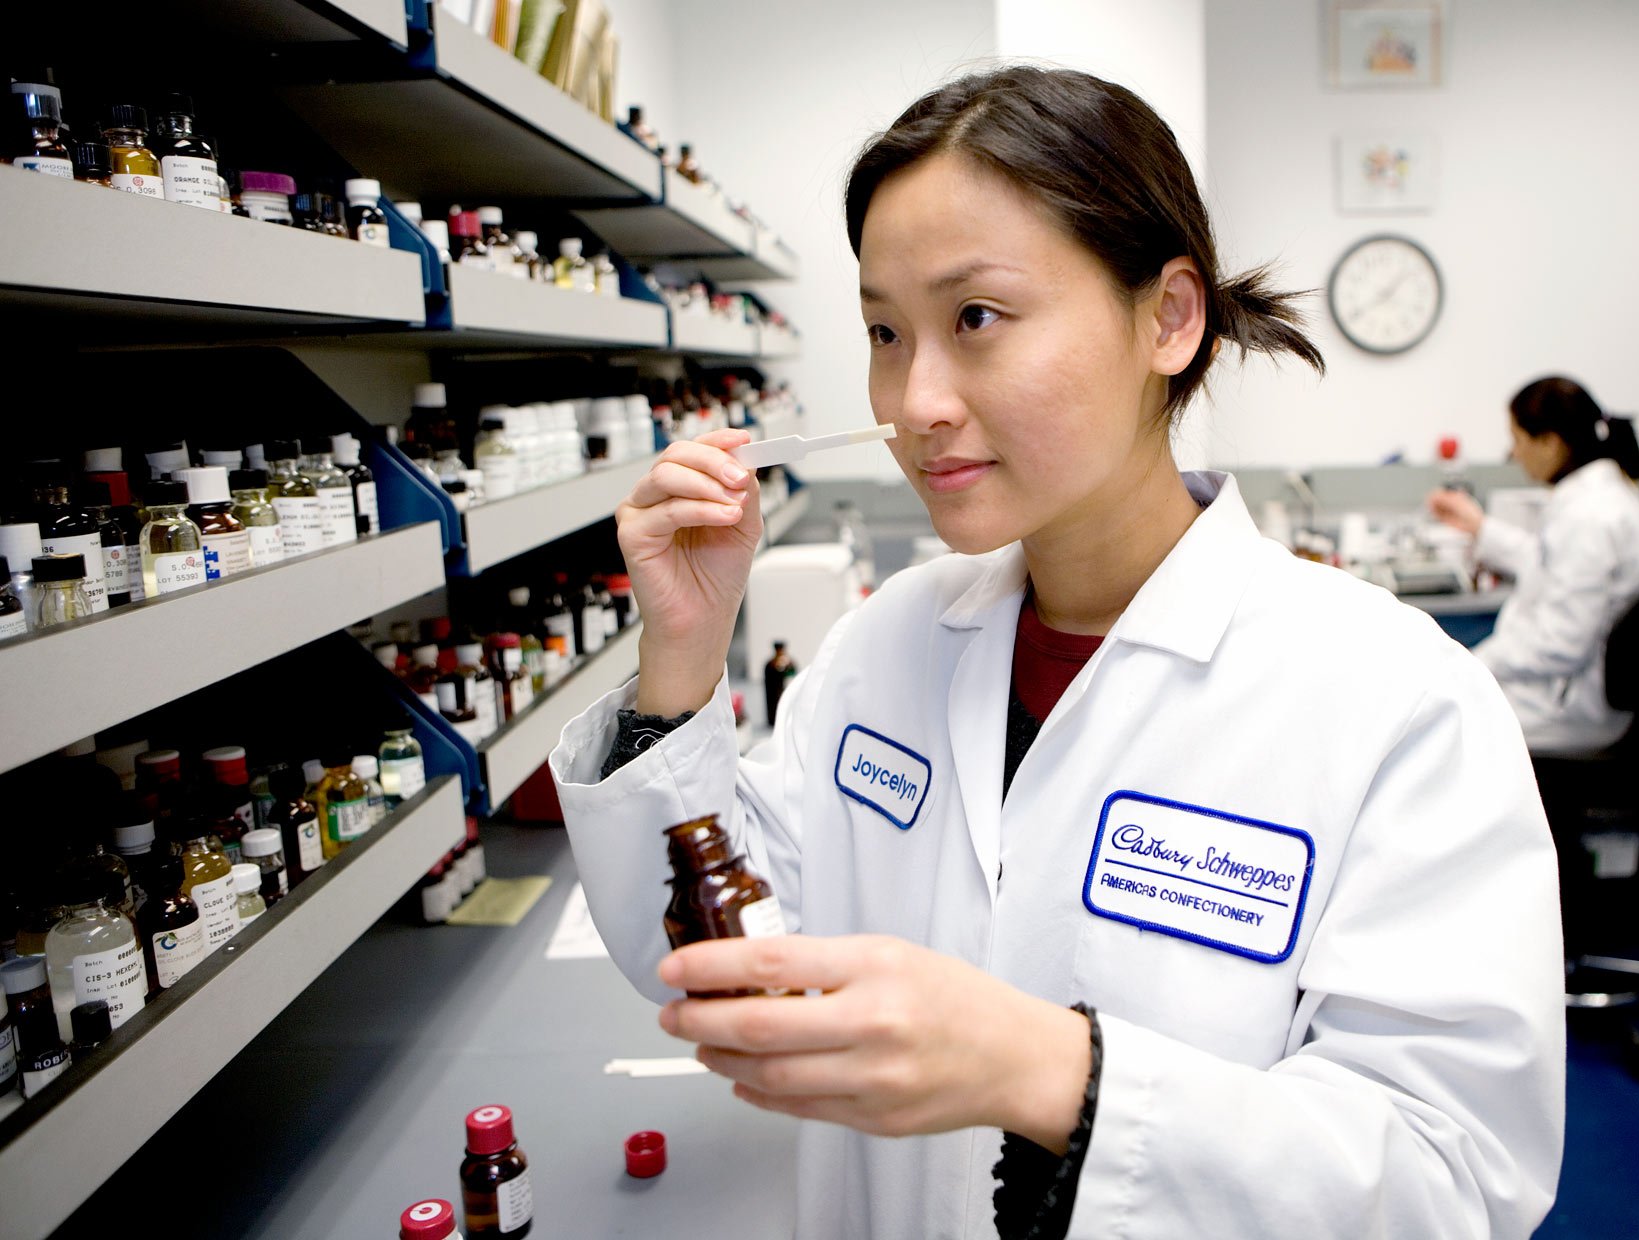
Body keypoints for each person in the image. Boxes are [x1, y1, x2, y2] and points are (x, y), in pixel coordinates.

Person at [553, 67, 1563, 1239]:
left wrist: (1053, 1077)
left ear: (1169, 318)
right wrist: (683, 654)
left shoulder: (1398, 702)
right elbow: (713, 964)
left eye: (975, 318)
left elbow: (1452, 1183)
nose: (914, 399)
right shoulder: (885, 645)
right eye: (886, 331)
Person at [1428, 377, 1639, 754]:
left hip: (1571, 706)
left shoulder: (1591, 516)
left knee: (1442, 724)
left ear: (1550, 443)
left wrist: (1474, 663)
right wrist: (1479, 526)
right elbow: (1544, 561)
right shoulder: (1599, 497)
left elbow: (1560, 644)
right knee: (1448, 703)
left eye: (1518, 439)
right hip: (1572, 688)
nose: (1514, 453)